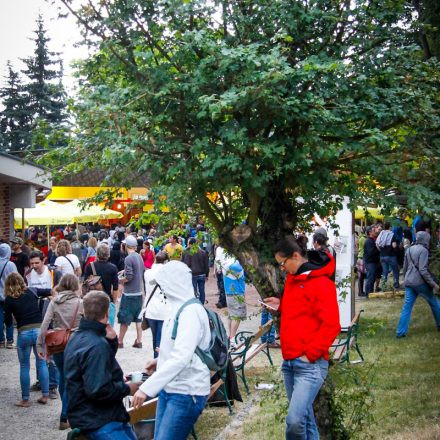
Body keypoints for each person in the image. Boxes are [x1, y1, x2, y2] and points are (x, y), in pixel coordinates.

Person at [264, 236, 340, 440]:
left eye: (282, 263)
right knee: (305, 420)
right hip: (289, 362)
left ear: (295, 256)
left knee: (295, 421)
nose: (282, 268)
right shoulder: (293, 279)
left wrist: (310, 355)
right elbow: (301, 310)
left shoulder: (322, 283)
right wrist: (281, 304)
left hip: (309, 364)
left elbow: (332, 325)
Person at [132, 261, 211, 440]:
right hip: (171, 389)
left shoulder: (190, 312)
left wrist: (146, 389)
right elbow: (180, 350)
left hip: (187, 392)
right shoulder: (177, 307)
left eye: (162, 286)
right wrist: (159, 361)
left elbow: (182, 357)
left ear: (173, 284)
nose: (161, 290)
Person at [64, 291, 140, 439]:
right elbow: (97, 390)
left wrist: (111, 341)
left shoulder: (77, 337)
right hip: (97, 418)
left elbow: (98, 366)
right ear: (106, 314)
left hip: (94, 414)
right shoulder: (97, 345)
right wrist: (127, 388)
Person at [37, 274, 83, 429]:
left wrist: (40, 344)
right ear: (76, 285)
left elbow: (45, 324)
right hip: (75, 344)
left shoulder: (54, 302)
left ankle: (66, 411)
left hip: (57, 343)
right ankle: (65, 416)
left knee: (63, 376)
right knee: (72, 379)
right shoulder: (80, 303)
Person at [4, 272, 52, 407]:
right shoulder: (32, 291)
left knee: (24, 366)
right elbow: (50, 290)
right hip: (38, 330)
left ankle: (25, 399)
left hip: (23, 332)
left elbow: (7, 322)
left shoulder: (9, 299)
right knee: (42, 363)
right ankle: (45, 395)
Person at [27, 251, 62, 399]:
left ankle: (53, 385)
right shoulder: (29, 274)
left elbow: (58, 293)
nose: (34, 266)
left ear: (43, 261)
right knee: (39, 347)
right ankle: (42, 381)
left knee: (52, 349)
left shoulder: (53, 273)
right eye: (32, 263)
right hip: (36, 314)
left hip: (52, 314)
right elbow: (29, 293)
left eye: (37, 263)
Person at [396, 231, 440, 338]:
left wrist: (405, 279)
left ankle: (400, 332)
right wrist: (434, 284)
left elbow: (405, 267)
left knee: (407, 307)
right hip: (420, 283)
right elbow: (423, 270)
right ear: (426, 239)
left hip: (409, 282)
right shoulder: (424, 251)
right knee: (434, 302)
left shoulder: (409, 249)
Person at [141, 251, 170, 358]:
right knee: (161, 339)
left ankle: (156, 359)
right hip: (165, 309)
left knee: (155, 338)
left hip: (150, 309)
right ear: (166, 261)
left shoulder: (147, 273)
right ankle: (158, 362)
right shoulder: (168, 273)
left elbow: (148, 286)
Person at [118, 235, 145, 348]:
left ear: (126, 246)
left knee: (125, 318)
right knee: (138, 318)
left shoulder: (128, 259)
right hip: (139, 292)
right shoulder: (139, 256)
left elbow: (129, 277)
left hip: (129, 293)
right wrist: (124, 270)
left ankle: (119, 341)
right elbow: (140, 270)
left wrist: (120, 280)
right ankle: (139, 340)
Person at [84, 244, 119, 327]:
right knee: (108, 327)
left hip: (92, 300)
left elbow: (85, 284)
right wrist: (113, 301)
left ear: (97, 254)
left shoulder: (90, 266)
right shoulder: (113, 268)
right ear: (108, 254)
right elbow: (115, 287)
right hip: (106, 299)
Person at [223, 256, 247, 343]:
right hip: (237, 293)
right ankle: (232, 338)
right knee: (236, 316)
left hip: (229, 292)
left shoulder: (225, 263)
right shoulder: (236, 265)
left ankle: (230, 336)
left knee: (231, 315)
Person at [182, 237, 209, 304]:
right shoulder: (203, 252)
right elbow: (206, 264)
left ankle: (195, 304)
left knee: (193, 290)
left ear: (190, 244)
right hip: (202, 274)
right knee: (202, 290)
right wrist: (207, 274)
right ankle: (201, 303)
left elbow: (185, 264)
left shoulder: (186, 252)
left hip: (192, 274)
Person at [0, 243, 17, 348]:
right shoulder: (10, 264)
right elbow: (16, 279)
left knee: (0, 318)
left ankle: (1, 341)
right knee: (9, 318)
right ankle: (10, 341)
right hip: (8, 295)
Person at [376, 222, 400, 290]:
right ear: (390, 227)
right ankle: (396, 283)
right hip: (391, 255)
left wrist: (381, 250)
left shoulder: (381, 234)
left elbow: (377, 244)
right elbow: (394, 245)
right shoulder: (392, 234)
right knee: (395, 270)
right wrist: (397, 249)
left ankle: (383, 285)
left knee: (385, 271)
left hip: (382, 256)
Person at [363, 226, 380, 297]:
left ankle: (370, 292)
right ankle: (368, 293)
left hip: (373, 262)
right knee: (370, 278)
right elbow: (371, 252)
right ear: (370, 232)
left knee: (372, 278)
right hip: (370, 262)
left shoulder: (372, 240)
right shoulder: (368, 241)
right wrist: (378, 249)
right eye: (373, 230)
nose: (375, 232)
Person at [214, 244, 227, 308]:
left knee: (222, 287)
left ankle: (222, 302)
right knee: (222, 286)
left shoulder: (219, 249)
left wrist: (218, 269)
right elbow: (217, 260)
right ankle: (223, 301)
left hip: (222, 270)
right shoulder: (219, 249)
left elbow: (218, 260)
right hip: (223, 269)